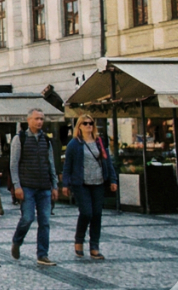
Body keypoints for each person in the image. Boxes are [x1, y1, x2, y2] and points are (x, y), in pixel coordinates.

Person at [62, 115, 118, 260]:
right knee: (87, 212)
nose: (88, 126)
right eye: (85, 123)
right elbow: (67, 166)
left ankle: (94, 246)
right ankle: (79, 240)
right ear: (79, 126)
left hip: (98, 183)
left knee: (97, 214)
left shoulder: (100, 142)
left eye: (91, 123)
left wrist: (113, 179)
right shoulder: (74, 144)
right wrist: (66, 184)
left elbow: (108, 162)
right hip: (81, 184)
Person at [10, 108, 59, 266]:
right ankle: (17, 240)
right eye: (37, 118)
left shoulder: (46, 140)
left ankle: (42, 254)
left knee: (45, 221)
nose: (39, 122)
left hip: (44, 186)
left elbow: (51, 163)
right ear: (29, 120)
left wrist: (54, 185)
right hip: (27, 186)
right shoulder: (20, 139)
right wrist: (17, 186)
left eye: (42, 119)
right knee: (27, 218)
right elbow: (14, 164)